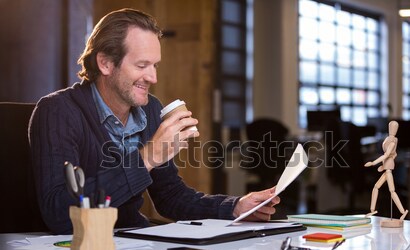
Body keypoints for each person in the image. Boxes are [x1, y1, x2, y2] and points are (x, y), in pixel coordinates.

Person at [29, 8, 280, 234]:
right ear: (105, 63)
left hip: (132, 243)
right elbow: (58, 213)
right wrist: (148, 158)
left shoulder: (150, 110)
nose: (153, 78)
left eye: (155, 65)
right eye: (142, 65)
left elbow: (170, 196)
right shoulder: (57, 111)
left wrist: (235, 207)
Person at [364, 121, 408, 223]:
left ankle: (402, 212)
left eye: (394, 127)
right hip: (386, 168)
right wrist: (384, 166)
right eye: (390, 127)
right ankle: (372, 210)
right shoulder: (389, 139)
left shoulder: (392, 142)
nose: (391, 129)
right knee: (376, 187)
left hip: (389, 169)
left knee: (392, 191)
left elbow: (386, 155)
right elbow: (394, 154)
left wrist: (373, 162)